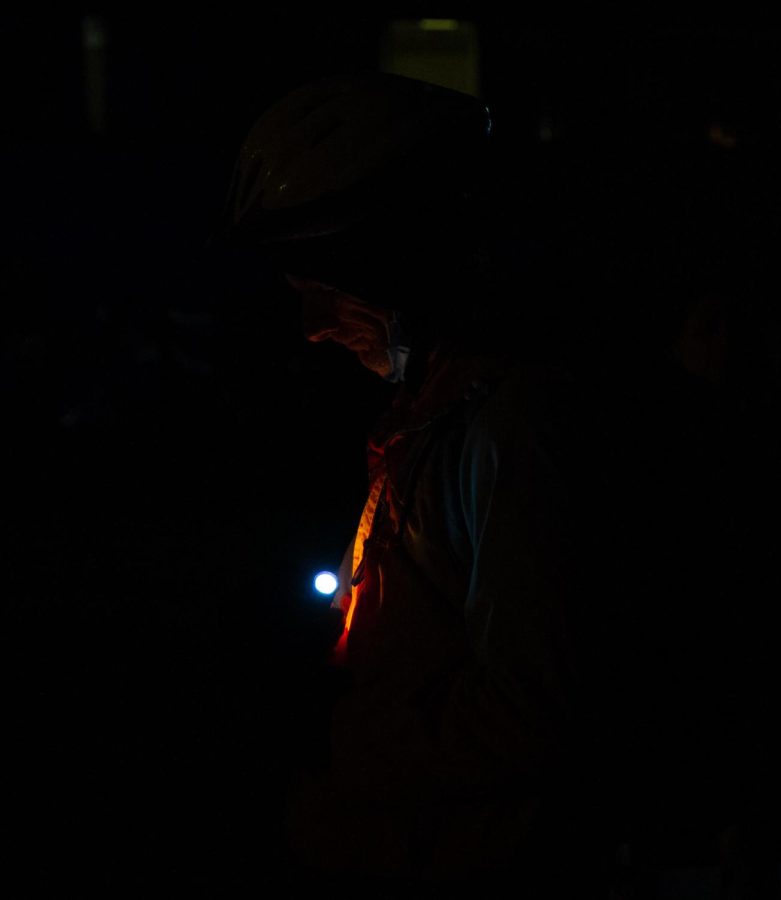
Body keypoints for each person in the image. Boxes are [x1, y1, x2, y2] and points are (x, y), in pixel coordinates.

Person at [214, 70, 600, 894]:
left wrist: (325, 726)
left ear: (395, 264)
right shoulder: (434, 414)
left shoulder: (510, 427)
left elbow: (531, 709)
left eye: (324, 294)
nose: (314, 330)